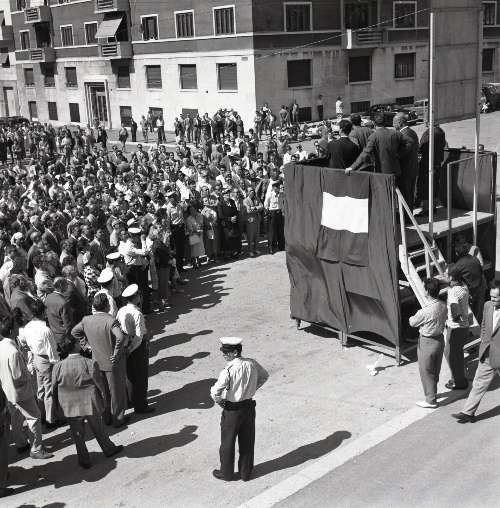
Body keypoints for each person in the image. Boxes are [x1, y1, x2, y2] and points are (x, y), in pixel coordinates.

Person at [52, 335, 124, 468]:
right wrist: (104, 400)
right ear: (75, 346)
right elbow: (99, 384)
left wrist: (56, 407)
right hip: (90, 404)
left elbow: (53, 389)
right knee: (98, 429)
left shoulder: (58, 367)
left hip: (70, 406)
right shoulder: (89, 363)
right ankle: (108, 449)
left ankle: (84, 459)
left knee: (77, 435)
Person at [210, 337, 269, 481]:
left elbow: (215, 392)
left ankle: (226, 473)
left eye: (226, 352)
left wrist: (221, 402)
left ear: (235, 352)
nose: (223, 354)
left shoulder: (229, 370)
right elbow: (264, 376)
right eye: (223, 351)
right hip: (248, 407)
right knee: (247, 440)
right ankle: (245, 472)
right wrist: (252, 389)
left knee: (227, 442)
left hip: (232, 410)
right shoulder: (252, 363)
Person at [0, 315, 53, 460]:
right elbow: (19, 376)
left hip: (8, 391)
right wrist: (29, 373)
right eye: (16, 327)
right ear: (11, 330)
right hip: (20, 392)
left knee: (16, 418)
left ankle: (21, 443)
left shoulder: (2, 346)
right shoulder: (13, 352)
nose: (18, 328)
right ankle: (36, 449)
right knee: (34, 417)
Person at [71, 293, 128, 427]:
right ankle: (118, 419)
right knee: (116, 392)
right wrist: (116, 352)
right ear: (107, 306)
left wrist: (85, 345)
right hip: (112, 363)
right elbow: (120, 337)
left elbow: (74, 332)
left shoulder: (86, 320)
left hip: (96, 362)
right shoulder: (110, 320)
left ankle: (106, 418)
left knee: (103, 392)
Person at [452, 281, 500, 423]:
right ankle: (468, 412)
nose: (492, 299)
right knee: (479, 383)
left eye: (496, 297)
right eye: (491, 296)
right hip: (487, 353)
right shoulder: (487, 305)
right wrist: (484, 340)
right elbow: (484, 324)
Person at [409, 278, 447, 408]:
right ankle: (433, 393)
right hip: (440, 340)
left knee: (426, 371)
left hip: (427, 342)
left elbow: (412, 322)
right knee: (435, 369)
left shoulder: (424, 311)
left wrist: (411, 317)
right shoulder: (443, 305)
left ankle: (430, 400)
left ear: (426, 291)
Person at [116, 284, 154, 415]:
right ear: (136, 297)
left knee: (130, 375)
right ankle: (141, 405)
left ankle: (131, 400)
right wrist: (131, 349)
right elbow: (139, 337)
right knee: (141, 377)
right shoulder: (137, 314)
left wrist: (126, 348)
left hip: (126, 344)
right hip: (137, 348)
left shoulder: (121, 310)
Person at [23, 299, 60, 426]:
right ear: (43, 312)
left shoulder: (27, 327)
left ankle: (42, 415)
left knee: (41, 389)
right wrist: (56, 363)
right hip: (45, 359)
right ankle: (50, 419)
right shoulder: (45, 329)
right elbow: (51, 349)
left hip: (36, 358)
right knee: (49, 390)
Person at [444, 265, 470, 391]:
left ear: (451, 277)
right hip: (463, 327)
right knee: (452, 353)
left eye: (446, 274)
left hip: (456, 329)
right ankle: (457, 377)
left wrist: (455, 318)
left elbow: (454, 308)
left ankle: (459, 382)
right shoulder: (463, 286)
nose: (444, 275)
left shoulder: (453, 291)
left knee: (453, 356)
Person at [453, 238, 486, 323]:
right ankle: (477, 324)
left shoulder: (459, 265)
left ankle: (474, 324)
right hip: (479, 285)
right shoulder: (474, 259)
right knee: (478, 308)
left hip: (474, 288)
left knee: (474, 309)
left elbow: (452, 279)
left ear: (457, 253)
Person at [416, 123, 447, 211]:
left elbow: (422, 147)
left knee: (426, 185)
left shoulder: (430, 132)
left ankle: (426, 209)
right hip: (436, 162)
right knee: (434, 185)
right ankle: (432, 207)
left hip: (427, 163)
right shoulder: (441, 132)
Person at [393, 113, 419, 211]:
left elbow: (402, 152)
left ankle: (406, 216)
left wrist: (394, 155)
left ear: (400, 123)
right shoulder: (412, 132)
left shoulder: (404, 134)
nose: (393, 125)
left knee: (406, 195)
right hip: (412, 168)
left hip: (405, 170)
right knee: (409, 194)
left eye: (394, 122)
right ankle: (408, 214)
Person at [45, 277, 74, 347]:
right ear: (61, 285)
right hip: (64, 337)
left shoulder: (48, 297)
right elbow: (67, 324)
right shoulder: (63, 303)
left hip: (54, 334)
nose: (68, 286)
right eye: (66, 284)